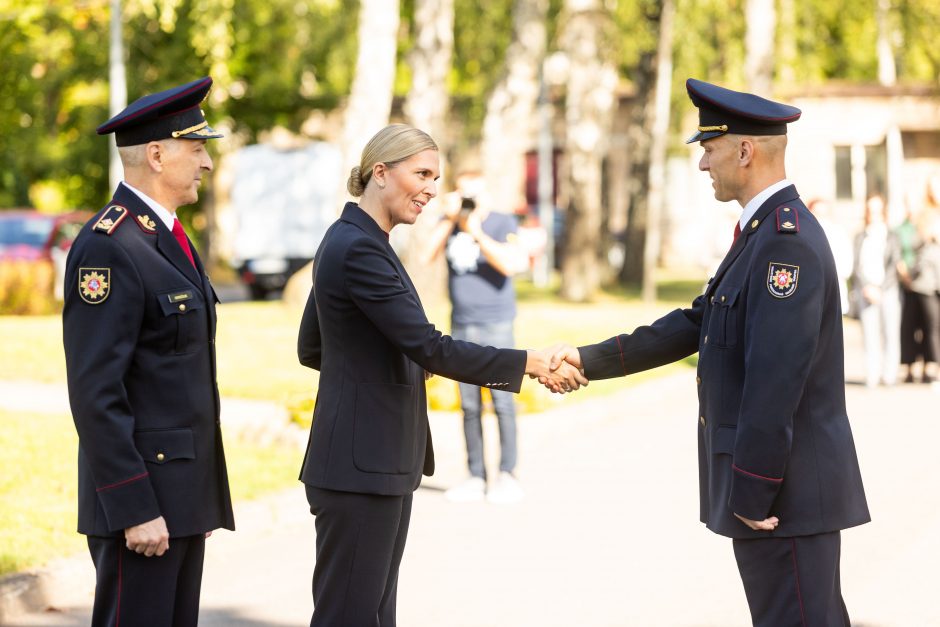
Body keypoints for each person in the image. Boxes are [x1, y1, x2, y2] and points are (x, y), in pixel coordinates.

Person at [547, 79, 870, 626]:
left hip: (782, 499)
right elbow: (697, 322)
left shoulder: (784, 242)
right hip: (780, 497)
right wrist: (589, 358)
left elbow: (775, 380)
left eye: (709, 149)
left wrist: (754, 491)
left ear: (744, 151)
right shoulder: (762, 233)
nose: (702, 165)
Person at [296, 124, 585, 627]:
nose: (432, 188)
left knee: (374, 614)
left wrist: (387, 368)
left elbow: (314, 346)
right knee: (351, 615)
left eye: (437, 176)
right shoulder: (360, 248)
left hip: (371, 461)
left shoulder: (354, 238)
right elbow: (429, 347)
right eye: (422, 173)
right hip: (361, 466)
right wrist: (529, 363)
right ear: (380, 173)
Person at [62, 77, 234, 627]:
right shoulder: (109, 247)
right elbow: (95, 393)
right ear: (157, 155)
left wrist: (198, 497)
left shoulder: (168, 237)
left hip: (179, 497)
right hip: (143, 506)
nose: (207, 163)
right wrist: (136, 507)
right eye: (198, 147)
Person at [422, 170, 529, 504]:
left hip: (496, 324)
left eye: (475, 195)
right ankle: (475, 474)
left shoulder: (501, 222)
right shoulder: (450, 221)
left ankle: (507, 474)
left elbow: (513, 264)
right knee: (468, 405)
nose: (469, 200)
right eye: (463, 193)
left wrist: (476, 231)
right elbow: (426, 256)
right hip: (462, 324)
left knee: (501, 401)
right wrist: (449, 218)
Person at [851, 193, 902, 387]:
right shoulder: (860, 236)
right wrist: (867, 287)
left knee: (891, 332)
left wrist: (880, 288)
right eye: (871, 210)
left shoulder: (891, 236)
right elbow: (856, 265)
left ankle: (889, 375)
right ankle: (872, 375)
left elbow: (893, 264)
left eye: (878, 210)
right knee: (869, 334)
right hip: (867, 290)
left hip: (888, 290)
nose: (874, 214)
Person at [908, 210, 940, 384]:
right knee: (923, 329)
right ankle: (925, 365)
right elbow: (916, 265)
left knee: (932, 329)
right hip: (921, 290)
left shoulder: (934, 246)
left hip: (932, 290)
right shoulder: (921, 245)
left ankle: (933, 365)